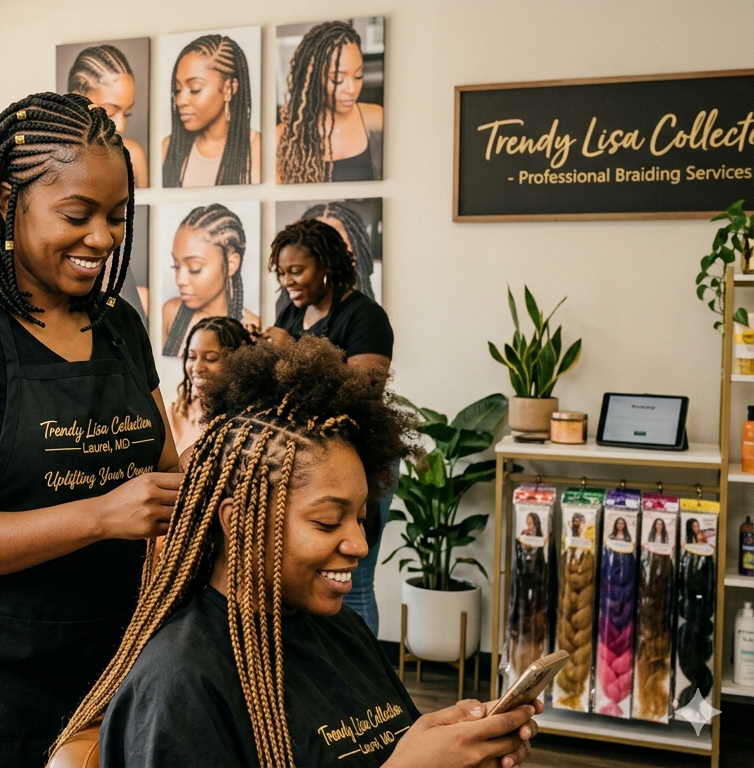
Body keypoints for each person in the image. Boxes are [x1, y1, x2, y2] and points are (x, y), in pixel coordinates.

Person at [59, 337, 541, 768]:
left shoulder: (342, 630)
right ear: (238, 521)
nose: (359, 545)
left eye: (360, 518)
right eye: (327, 521)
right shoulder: (181, 686)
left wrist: (450, 746)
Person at [0, 92, 182, 768]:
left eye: (116, 217)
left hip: (115, 661)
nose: (102, 239)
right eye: (77, 215)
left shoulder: (119, 324)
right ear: (7, 203)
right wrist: (101, 516)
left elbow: (164, 469)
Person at [262, 218, 393, 633]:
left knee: (354, 580)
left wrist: (292, 352)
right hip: (312, 465)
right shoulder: (291, 311)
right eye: (282, 273)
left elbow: (363, 393)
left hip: (359, 461)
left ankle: (363, 667)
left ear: (327, 267)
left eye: (296, 271)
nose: (287, 282)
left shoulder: (365, 317)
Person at [276, 20, 384, 184]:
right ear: (312, 80)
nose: (351, 89)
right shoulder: (282, 139)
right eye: (337, 79)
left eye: (358, 76)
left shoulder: (377, 119)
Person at [161, 204, 260, 356]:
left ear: (231, 264)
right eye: (176, 266)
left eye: (194, 268)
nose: (180, 280)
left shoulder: (252, 327)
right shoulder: (171, 312)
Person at [163, 34, 260, 187]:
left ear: (229, 89)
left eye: (195, 89)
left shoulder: (258, 149)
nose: (180, 101)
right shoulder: (168, 148)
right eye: (178, 90)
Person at [66, 44, 148, 188]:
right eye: (110, 113)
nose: (121, 127)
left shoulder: (132, 154)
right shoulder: (52, 157)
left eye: (127, 114)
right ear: (77, 100)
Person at [168, 316, 251, 455]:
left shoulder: (249, 422)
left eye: (210, 359)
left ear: (237, 364)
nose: (197, 368)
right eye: (192, 357)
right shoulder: (175, 414)